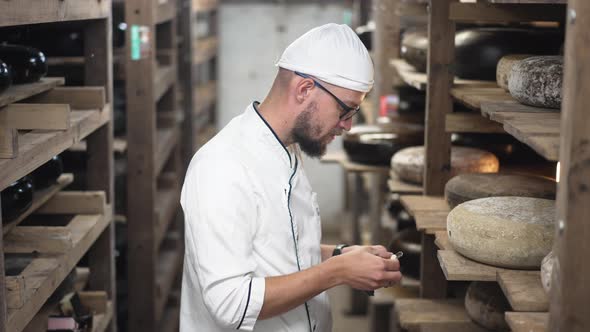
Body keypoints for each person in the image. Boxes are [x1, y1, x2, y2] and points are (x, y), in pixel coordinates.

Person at [180, 23, 402, 332]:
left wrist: (339, 256)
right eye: (345, 111)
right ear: (305, 89)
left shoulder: (284, 149)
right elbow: (230, 303)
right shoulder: (221, 166)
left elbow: (277, 244)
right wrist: (336, 272)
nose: (347, 125)